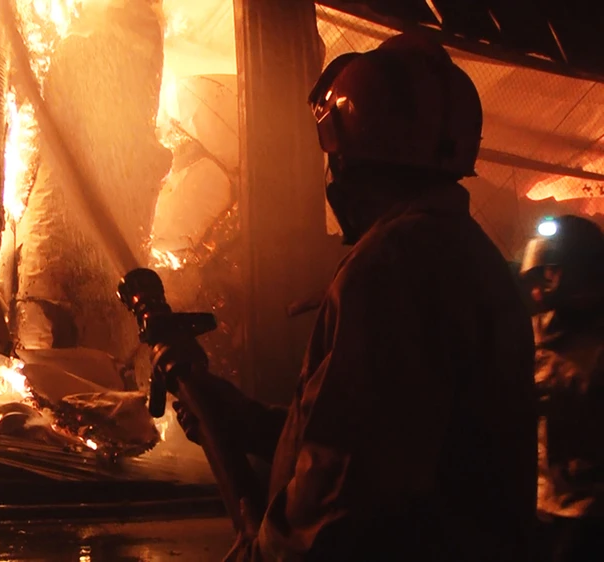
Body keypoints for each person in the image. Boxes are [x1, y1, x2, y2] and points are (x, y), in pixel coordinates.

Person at [152, 34, 537, 561]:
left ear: (351, 164)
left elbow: (342, 487)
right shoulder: (466, 254)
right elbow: (377, 434)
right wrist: (250, 423)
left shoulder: (394, 265)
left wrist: (263, 555)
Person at [520, 215, 604, 562]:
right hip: (540, 504)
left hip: (589, 513)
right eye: (542, 272)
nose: (544, 282)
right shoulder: (531, 333)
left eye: (553, 270)